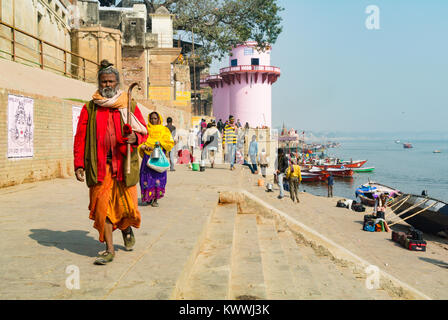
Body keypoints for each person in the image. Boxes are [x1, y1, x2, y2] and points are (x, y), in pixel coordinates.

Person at [73, 60, 148, 265]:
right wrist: (79, 164)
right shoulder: (90, 107)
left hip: (124, 166)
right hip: (99, 168)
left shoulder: (127, 104)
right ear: (99, 83)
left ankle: (126, 227)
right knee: (102, 208)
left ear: (117, 83)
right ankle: (109, 249)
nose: (107, 85)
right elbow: (80, 138)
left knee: (127, 207)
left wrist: (136, 138)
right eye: (104, 82)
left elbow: (143, 130)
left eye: (111, 81)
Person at [138, 111, 174, 208]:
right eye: (152, 118)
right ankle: (147, 198)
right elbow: (141, 140)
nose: (153, 120)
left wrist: (158, 144)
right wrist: (144, 147)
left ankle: (155, 199)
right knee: (145, 177)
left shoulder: (164, 130)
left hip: (158, 156)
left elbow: (169, 142)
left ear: (159, 119)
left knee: (157, 177)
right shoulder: (146, 129)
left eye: (155, 118)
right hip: (147, 156)